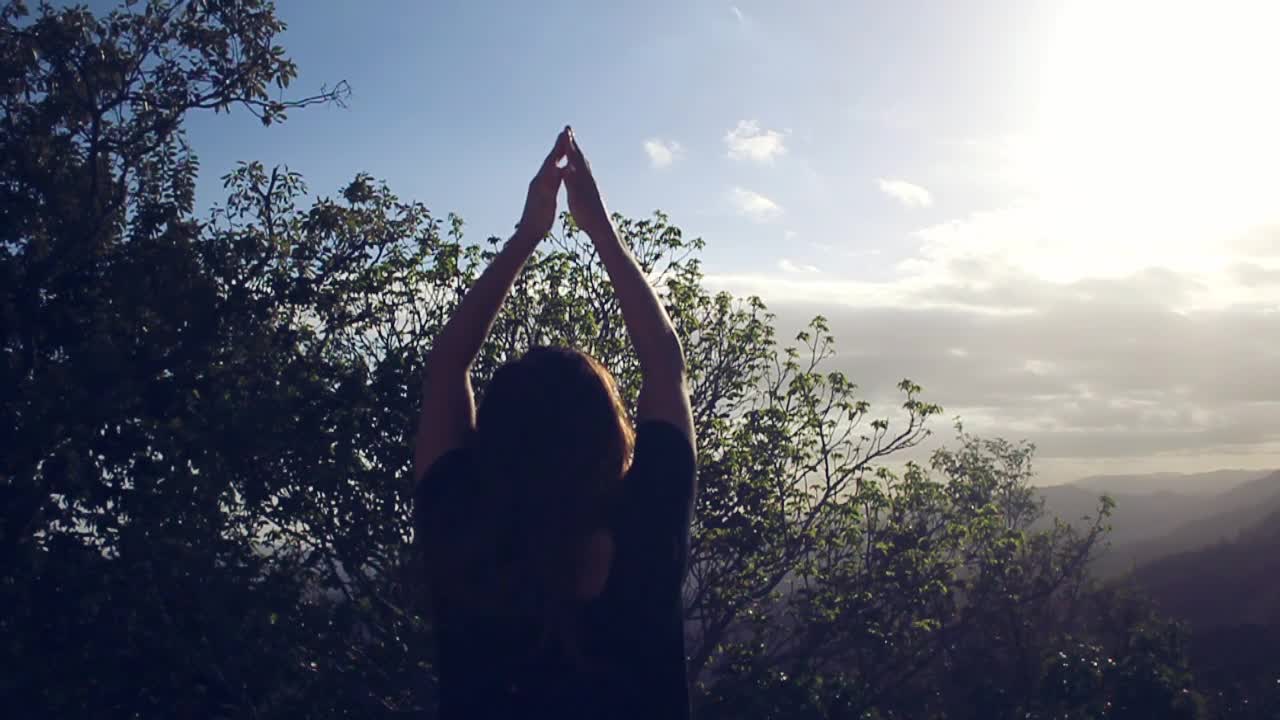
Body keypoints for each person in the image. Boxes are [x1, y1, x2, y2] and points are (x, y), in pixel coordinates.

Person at [413, 126, 697, 719]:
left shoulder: (463, 534)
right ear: (610, 438)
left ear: (492, 437)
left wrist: (527, 235)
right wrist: (600, 230)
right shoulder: (644, 530)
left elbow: (445, 370)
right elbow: (665, 366)